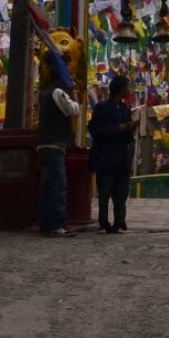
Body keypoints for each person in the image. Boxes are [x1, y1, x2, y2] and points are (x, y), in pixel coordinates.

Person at [37, 50, 81, 238]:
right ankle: (57, 225)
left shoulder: (47, 92)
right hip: (53, 145)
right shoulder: (57, 92)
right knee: (58, 186)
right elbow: (73, 110)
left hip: (46, 144)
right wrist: (75, 95)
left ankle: (46, 224)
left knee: (48, 186)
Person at [89, 73, 135, 234]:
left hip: (121, 158)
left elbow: (129, 138)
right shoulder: (101, 108)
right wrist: (117, 129)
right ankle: (103, 223)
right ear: (120, 90)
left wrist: (129, 129)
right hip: (106, 157)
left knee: (121, 194)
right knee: (104, 193)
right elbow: (95, 131)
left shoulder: (125, 110)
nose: (129, 91)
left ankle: (119, 222)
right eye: (127, 88)